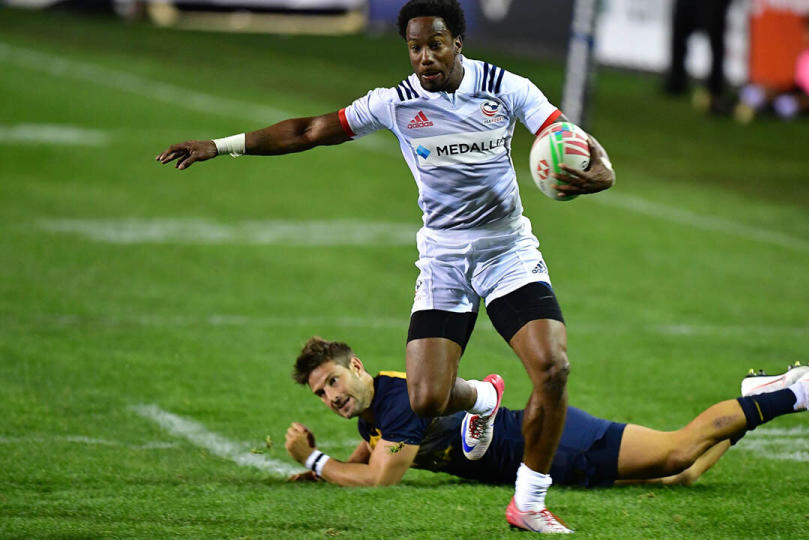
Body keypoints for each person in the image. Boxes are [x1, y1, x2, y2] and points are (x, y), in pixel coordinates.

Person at [155, 0, 615, 533]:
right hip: (443, 260)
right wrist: (218, 146)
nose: (423, 57)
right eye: (415, 47)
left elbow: (569, 141)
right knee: (427, 400)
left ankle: (528, 502)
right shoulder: (394, 103)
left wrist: (598, 174)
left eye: (434, 44)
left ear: (457, 42)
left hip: (506, 252)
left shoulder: (507, 87)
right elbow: (309, 131)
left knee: (553, 369)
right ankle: (484, 397)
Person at [283, 338, 809, 518]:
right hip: (532, 461)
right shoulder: (375, 407)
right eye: (321, 393)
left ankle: (795, 393)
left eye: (333, 381)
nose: (331, 396)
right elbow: (368, 454)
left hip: (544, 446)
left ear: (354, 366)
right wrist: (327, 466)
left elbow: (383, 478)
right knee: (680, 477)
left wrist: (314, 463)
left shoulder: (400, 398)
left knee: (677, 452)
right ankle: (754, 397)